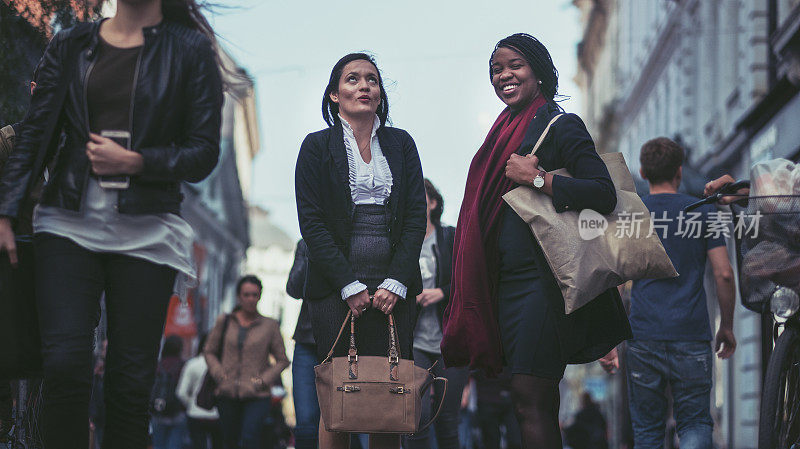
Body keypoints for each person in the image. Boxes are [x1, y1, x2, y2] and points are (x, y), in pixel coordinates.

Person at [0, 0, 224, 445]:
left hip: (147, 229)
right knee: (64, 366)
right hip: (67, 222)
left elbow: (203, 152)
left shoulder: (189, 51)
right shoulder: (72, 44)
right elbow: (35, 133)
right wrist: (6, 210)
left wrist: (139, 160)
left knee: (129, 381)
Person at [441, 33, 631, 449]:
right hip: (506, 284)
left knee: (531, 395)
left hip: (543, 283)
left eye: (515, 66)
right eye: (496, 69)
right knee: (529, 400)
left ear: (538, 72)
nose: (504, 75)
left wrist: (540, 179)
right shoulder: (500, 133)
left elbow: (603, 193)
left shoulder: (561, 125)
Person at [294, 52, 426, 449]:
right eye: (352, 79)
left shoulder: (402, 144)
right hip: (336, 288)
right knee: (340, 400)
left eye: (371, 79)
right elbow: (312, 223)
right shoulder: (316, 146)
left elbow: (416, 218)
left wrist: (397, 281)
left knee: (389, 394)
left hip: (394, 290)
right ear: (335, 94)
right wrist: (348, 284)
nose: (364, 86)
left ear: (381, 92)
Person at [607, 137, 736, 449]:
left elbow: (612, 279)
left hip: (643, 335)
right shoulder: (704, 213)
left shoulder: (630, 217)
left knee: (648, 432)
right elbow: (724, 273)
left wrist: (607, 342)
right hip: (691, 335)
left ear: (642, 171)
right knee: (694, 423)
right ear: (679, 171)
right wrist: (727, 326)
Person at [404, 178, 469, 449]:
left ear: (432, 203)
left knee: (447, 418)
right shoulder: (404, 241)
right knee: (417, 417)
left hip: (450, 340)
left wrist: (442, 292)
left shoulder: (450, 237)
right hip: (415, 341)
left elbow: (469, 278)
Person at [204, 275, 290, 449]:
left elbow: (282, 360)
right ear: (239, 296)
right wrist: (218, 372)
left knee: (249, 438)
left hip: (257, 395)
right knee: (229, 440)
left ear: (260, 296)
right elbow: (209, 351)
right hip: (226, 392)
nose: (251, 299)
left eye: (255, 295)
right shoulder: (225, 321)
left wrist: (263, 380)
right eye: (246, 295)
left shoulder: (269, 325)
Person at [285, 239, 319, 449]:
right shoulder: (307, 242)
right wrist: (313, 244)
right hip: (308, 339)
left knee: (346, 421)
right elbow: (294, 288)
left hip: (348, 343)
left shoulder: (358, 235)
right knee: (306, 424)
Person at [177, 334, 222, 449]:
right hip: (218, 415)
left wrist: (191, 404)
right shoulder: (225, 366)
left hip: (195, 414)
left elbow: (181, 392)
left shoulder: (192, 364)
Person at [151, 335, 188, 449]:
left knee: (158, 445)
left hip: (158, 411)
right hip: (178, 412)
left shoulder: (158, 365)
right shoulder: (184, 365)